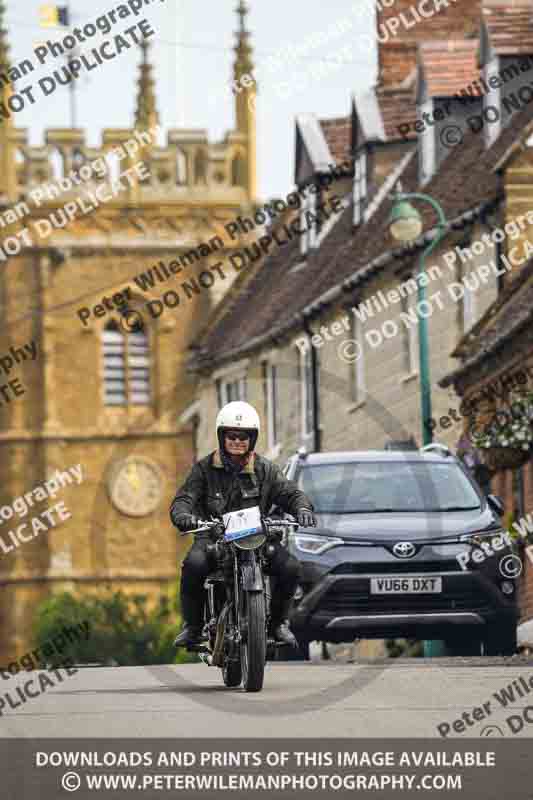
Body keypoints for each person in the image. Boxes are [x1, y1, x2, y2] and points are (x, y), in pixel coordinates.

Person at [170, 401, 316, 648]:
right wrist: (184, 515)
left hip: (258, 536)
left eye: (244, 436)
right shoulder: (203, 470)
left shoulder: (265, 469)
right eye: (232, 436)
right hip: (214, 537)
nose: (238, 441)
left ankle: (279, 624)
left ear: (253, 438)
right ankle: (192, 627)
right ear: (221, 436)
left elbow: (290, 493)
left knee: (290, 567)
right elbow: (184, 499)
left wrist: (302, 508)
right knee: (194, 565)